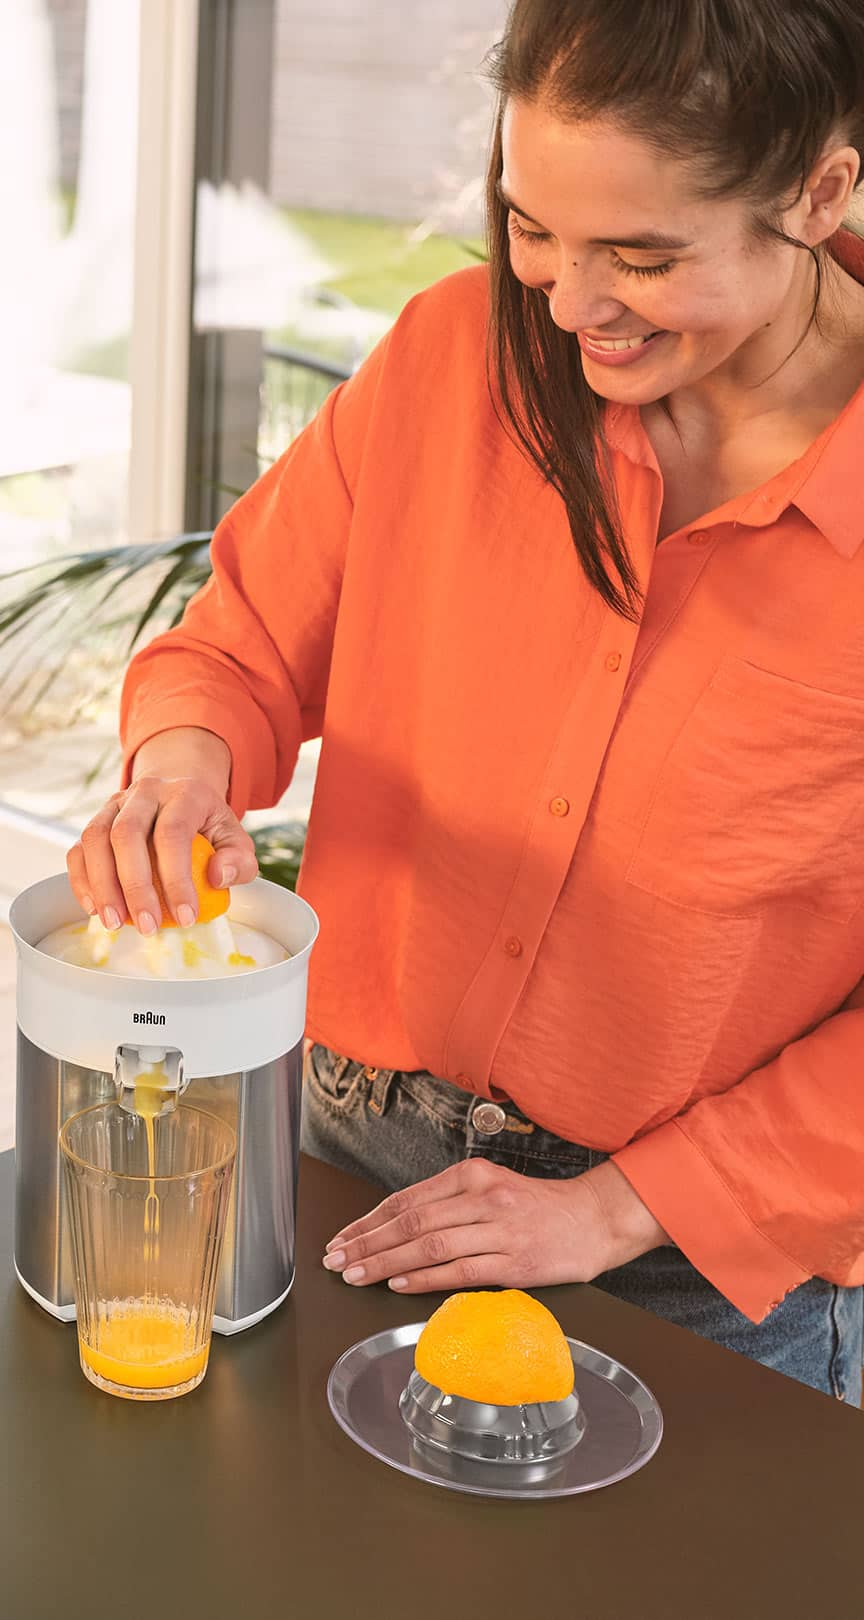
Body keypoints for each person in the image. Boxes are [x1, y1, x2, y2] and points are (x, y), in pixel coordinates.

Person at [64, 0, 864, 1403]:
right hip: (344, 1157)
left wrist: (615, 1208)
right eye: (532, 227)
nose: (567, 303)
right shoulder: (453, 358)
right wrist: (179, 769)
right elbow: (240, 642)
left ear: (823, 190)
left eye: (643, 256)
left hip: (695, 1270)